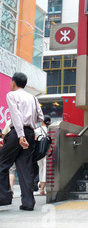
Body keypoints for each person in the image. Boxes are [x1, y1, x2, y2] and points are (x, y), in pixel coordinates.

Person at [0, 72, 44, 210]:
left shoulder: (11, 95)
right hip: (30, 132)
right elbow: (40, 117)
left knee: (2, 163)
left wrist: (20, 136)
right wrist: (29, 123)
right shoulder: (33, 97)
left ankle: (3, 198)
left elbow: (16, 115)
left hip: (18, 134)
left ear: (13, 82)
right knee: (25, 168)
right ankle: (28, 203)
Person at [34, 115, 51, 195]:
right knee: (45, 169)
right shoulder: (50, 130)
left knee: (40, 169)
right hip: (46, 152)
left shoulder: (37, 130)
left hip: (39, 152)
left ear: (42, 121)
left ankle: (42, 187)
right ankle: (42, 189)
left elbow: (35, 140)